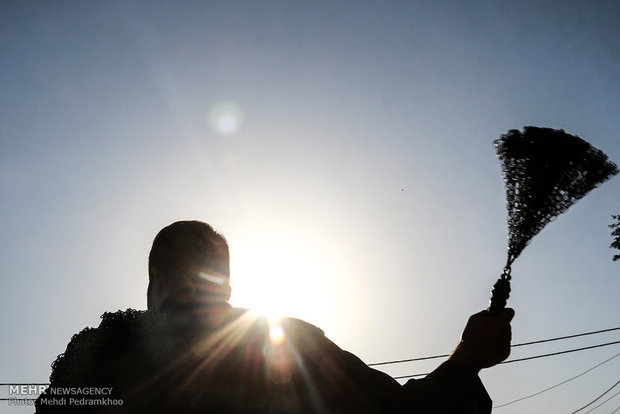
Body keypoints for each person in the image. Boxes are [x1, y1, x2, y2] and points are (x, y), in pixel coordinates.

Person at [36, 220, 514, 413]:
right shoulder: (287, 342)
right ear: (225, 284)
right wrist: (466, 358)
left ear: (155, 279)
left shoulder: (97, 351)